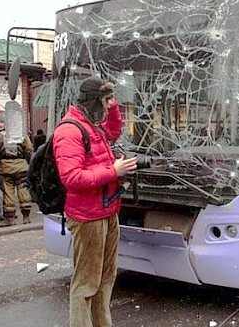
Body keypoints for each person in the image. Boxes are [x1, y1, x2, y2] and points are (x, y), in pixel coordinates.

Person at [53, 76, 138, 327]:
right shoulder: (70, 130)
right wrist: (115, 171)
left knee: (105, 278)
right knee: (86, 282)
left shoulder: (93, 125)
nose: (110, 104)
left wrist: (113, 109)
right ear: (92, 102)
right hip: (87, 216)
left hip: (107, 210)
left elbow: (113, 131)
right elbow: (71, 177)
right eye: (106, 100)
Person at [0, 130, 34, 226]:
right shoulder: (23, 135)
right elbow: (29, 151)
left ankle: (10, 218)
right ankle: (26, 217)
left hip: (6, 167)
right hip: (21, 166)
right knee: (23, 189)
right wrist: (27, 163)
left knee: (8, 192)